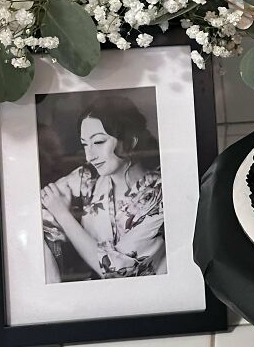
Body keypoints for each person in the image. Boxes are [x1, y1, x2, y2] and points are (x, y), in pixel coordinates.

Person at [40, 94, 165, 282]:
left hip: (150, 300)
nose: (89, 156)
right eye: (85, 145)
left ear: (131, 140)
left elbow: (117, 270)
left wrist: (63, 215)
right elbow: (41, 209)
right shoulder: (87, 177)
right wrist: (52, 281)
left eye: (98, 142)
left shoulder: (160, 194)